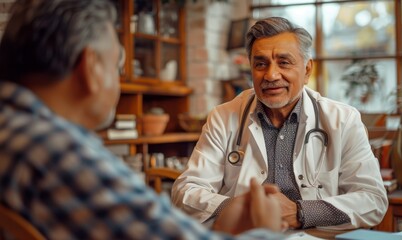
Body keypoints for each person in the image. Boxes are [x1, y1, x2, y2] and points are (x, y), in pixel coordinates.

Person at [0, 1, 286, 239]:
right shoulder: (57, 153)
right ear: (90, 68)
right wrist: (264, 229)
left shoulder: (12, 130)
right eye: (117, 66)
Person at [172, 17, 388, 230]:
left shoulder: (343, 119)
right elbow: (185, 191)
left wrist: (301, 213)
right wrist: (240, 208)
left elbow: (372, 200)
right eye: (260, 64)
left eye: (284, 62)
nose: (271, 75)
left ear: (307, 70)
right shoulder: (223, 117)